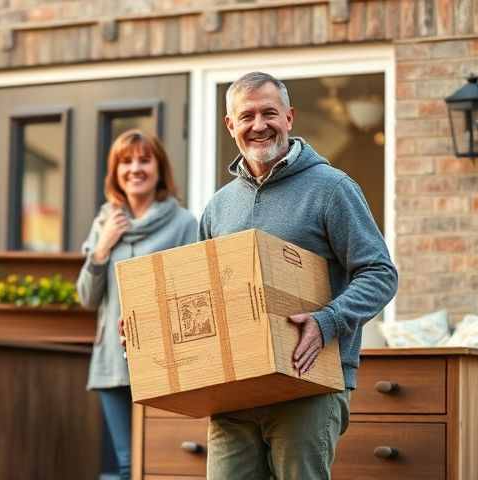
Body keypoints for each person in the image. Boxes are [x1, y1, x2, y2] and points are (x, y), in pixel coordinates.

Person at [200, 72, 398, 479]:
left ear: (289, 117)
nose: (259, 125)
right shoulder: (218, 207)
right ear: (230, 125)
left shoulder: (331, 188)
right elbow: (205, 292)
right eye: (247, 115)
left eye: (269, 113)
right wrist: (148, 326)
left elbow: (380, 273)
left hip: (309, 382)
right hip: (234, 388)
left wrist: (328, 322)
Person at [77, 129, 198, 480]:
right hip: (113, 362)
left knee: (162, 461)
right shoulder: (104, 222)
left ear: (159, 168)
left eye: (144, 159)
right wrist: (102, 247)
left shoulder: (183, 224)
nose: (135, 168)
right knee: (128, 463)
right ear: (115, 172)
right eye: (126, 162)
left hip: (167, 362)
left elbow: (192, 292)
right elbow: (87, 297)